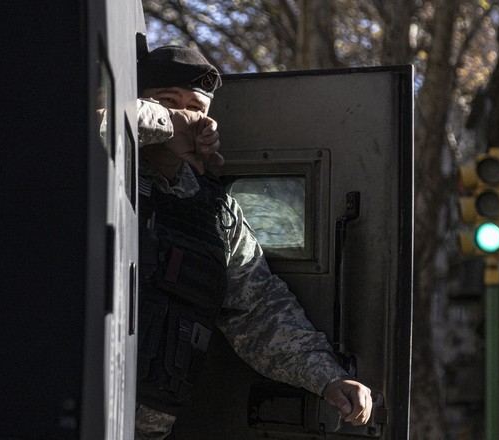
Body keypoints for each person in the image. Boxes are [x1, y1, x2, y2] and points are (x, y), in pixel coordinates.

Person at [134, 45, 372, 440]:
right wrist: (164, 122)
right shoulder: (96, 161)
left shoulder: (216, 211)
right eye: (165, 101)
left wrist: (329, 380)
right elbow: (93, 122)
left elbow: (261, 313)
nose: (185, 116)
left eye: (196, 108)